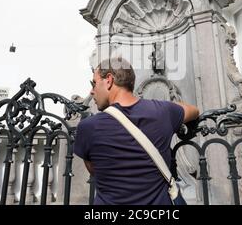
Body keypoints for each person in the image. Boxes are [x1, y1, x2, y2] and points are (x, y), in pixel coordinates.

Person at [74, 57, 199, 205]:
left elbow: (95, 171)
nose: (92, 91)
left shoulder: (88, 127)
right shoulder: (163, 112)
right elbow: (194, 111)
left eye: (94, 83)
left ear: (109, 80)